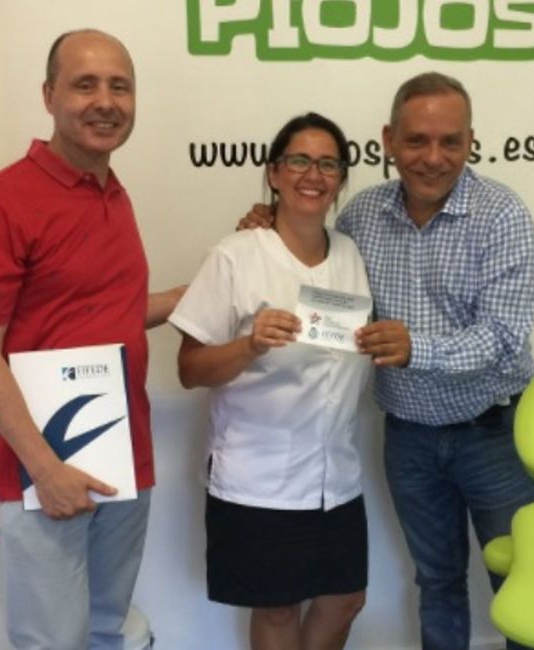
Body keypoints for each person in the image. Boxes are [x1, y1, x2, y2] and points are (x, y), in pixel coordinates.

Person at [243, 73, 534, 650]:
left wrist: (417, 348)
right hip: (409, 437)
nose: (433, 157)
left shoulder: (502, 215)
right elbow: (316, 266)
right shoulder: (361, 216)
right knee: (437, 580)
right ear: (388, 140)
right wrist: (267, 223)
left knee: (523, 583)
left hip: (494, 434)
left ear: (471, 141)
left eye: (450, 141)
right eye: (417, 140)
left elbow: (505, 338)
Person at [0, 29, 183, 650]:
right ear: (49, 96)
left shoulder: (113, 193)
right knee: (53, 640)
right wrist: (45, 469)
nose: (105, 102)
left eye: (120, 87)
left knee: (107, 627)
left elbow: (106, 314)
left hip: (122, 453)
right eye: (84, 85)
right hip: (43, 466)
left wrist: (205, 292)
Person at [171, 113, 372, 650]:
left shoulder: (350, 253)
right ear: (274, 173)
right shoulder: (236, 255)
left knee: (345, 599)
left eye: (328, 164)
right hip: (260, 479)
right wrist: (251, 345)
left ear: (341, 179)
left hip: (336, 476)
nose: (314, 174)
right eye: (299, 160)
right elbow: (190, 369)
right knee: (278, 609)